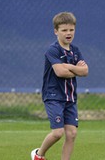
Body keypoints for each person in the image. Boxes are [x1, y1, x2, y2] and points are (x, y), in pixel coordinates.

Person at [31, 12, 88, 160]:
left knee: (72, 134)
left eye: (71, 30)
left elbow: (85, 71)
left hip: (70, 97)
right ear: (56, 31)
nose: (68, 33)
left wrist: (69, 67)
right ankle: (38, 155)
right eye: (64, 30)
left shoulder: (75, 50)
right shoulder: (53, 50)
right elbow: (60, 72)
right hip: (54, 96)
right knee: (57, 133)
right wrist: (76, 69)